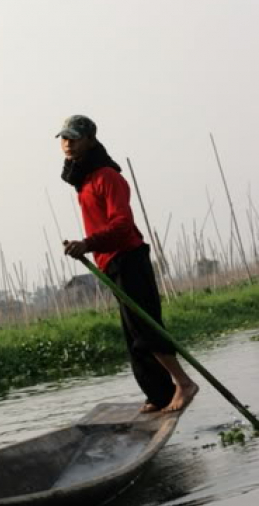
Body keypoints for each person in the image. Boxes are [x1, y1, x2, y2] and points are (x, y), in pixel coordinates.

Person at [57, 114, 198, 414]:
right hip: (111, 261)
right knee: (134, 335)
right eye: (63, 138)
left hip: (128, 258)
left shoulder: (107, 176)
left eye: (73, 138)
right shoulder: (85, 179)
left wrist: (88, 243)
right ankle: (159, 395)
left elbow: (122, 225)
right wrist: (91, 246)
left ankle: (184, 384)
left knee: (146, 329)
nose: (67, 144)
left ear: (90, 140)